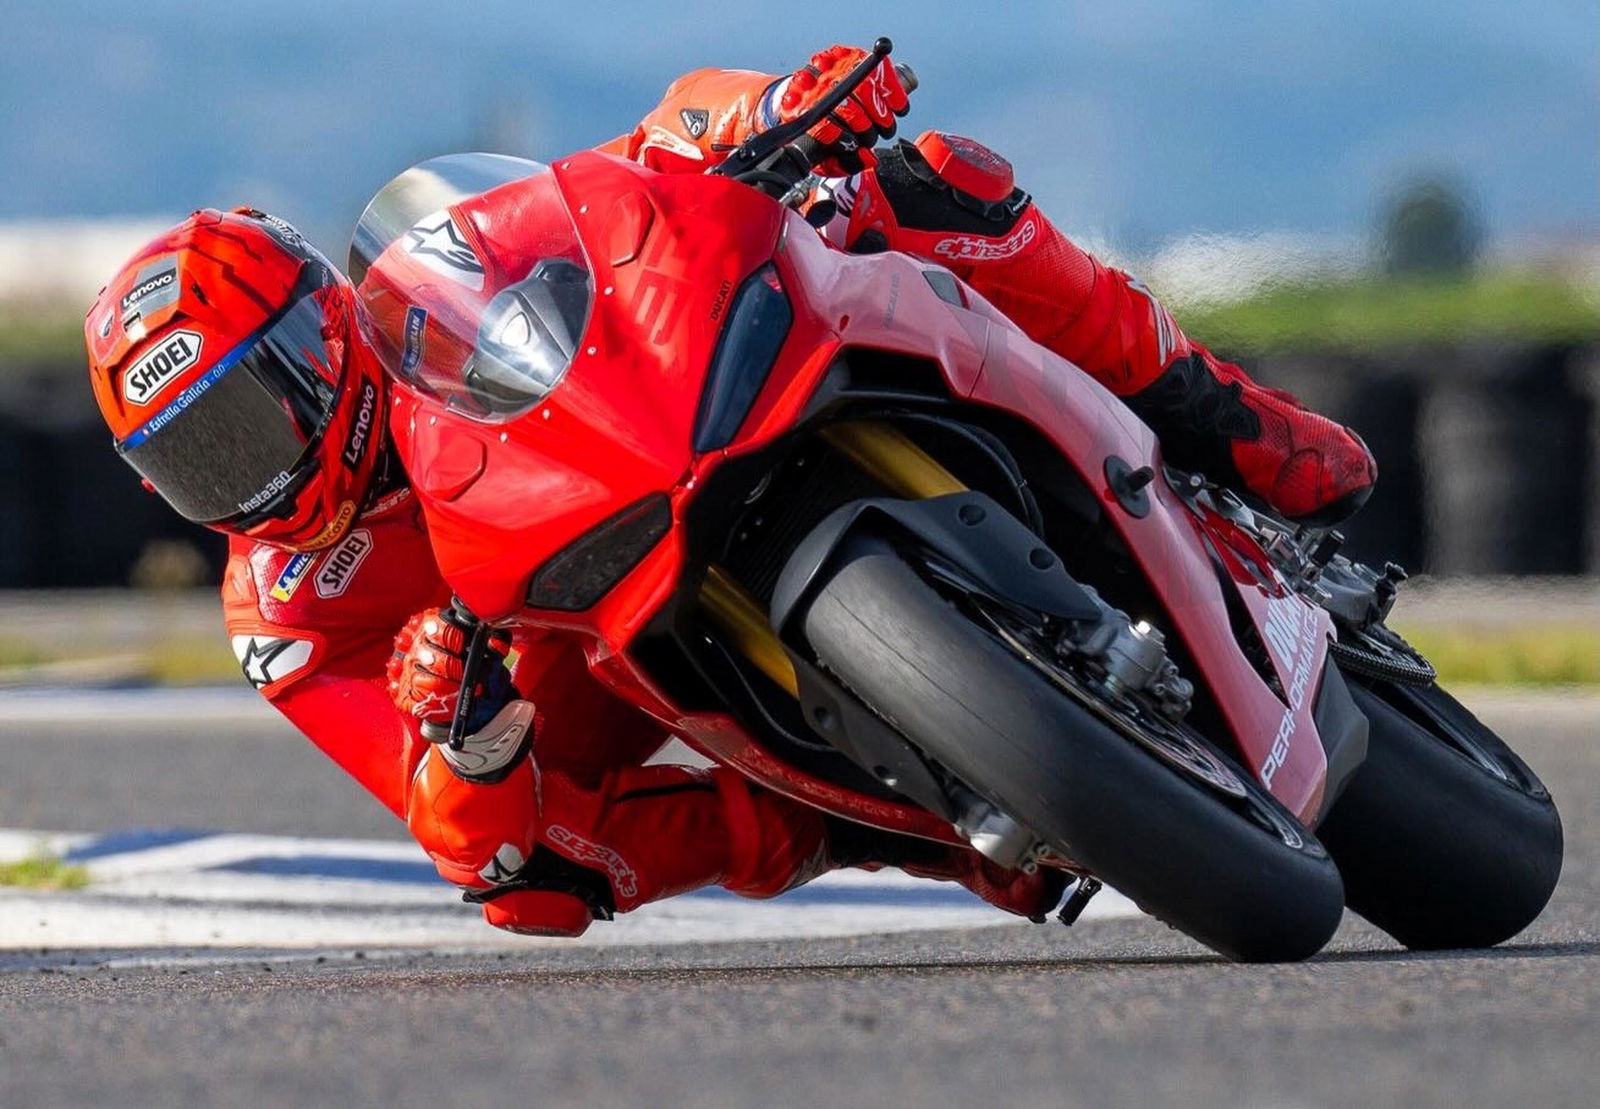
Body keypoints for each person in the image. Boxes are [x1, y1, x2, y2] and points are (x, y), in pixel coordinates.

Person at [84, 45, 1375, 937]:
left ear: (323, 335)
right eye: (197, 462)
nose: (251, 478)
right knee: (524, 878)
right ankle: (917, 825)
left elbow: (621, 168)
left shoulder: (432, 285)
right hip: (564, 624)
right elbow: (444, 820)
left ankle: (1230, 417)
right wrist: (471, 739)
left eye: (249, 418)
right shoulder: (290, 609)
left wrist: (768, 111)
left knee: (921, 178)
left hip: (654, 425)